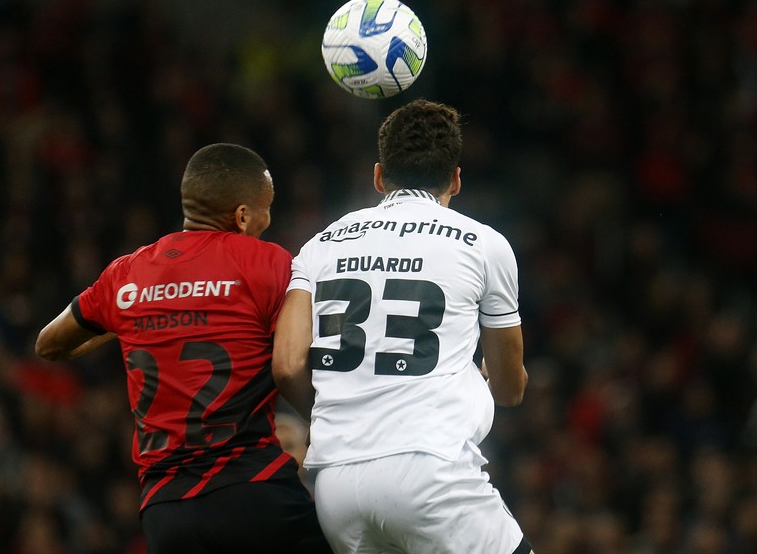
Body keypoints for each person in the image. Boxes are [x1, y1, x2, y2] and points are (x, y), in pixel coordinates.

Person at [36, 143, 331, 553]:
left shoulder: (126, 274)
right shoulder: (269, 263)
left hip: (165, 510)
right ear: (243, 216)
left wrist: (125, 322)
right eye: (267, 208)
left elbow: (48, 345)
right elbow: (293, 358)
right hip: (253, 489)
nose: (269, 218)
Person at [273, 100, 534, 554]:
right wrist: (490, 375)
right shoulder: (484, 244)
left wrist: (336, 418)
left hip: (336, 486)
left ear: (378, 177)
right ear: (455, 178)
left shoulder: (318, 246)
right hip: (430, 471)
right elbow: (510, 389)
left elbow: (287, 365)